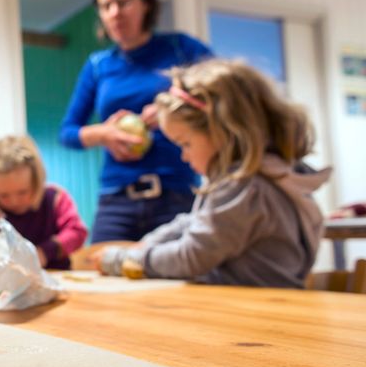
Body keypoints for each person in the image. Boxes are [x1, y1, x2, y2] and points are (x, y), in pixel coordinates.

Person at [98, 59, 331, 288]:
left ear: (223, 131)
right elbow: (194, 223)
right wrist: (146, 245)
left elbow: (191, 256)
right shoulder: (265, 176)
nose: (184, 156)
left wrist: (121, 260)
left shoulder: (245, 187)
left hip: (256, 315)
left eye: (185, 144)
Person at [59, 0, 212, 243]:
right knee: (103, 272)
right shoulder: (98, 66)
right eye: (106, 6)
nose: (115, 13)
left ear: (146, 3)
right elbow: (68, 133)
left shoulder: (180, 48)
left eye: (123, 2)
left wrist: (170, 108)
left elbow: (223, 92)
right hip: (116, 198)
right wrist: (103, 134)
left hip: (176, 193)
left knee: (179, 277)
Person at [0, 135, 88, 270]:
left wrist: (45, 252)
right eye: (4, 195)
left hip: (57, 276)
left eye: (22, 192)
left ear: (37, 181)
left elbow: (77, 232)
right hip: (10, 285)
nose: (14, 201)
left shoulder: (55, 199)